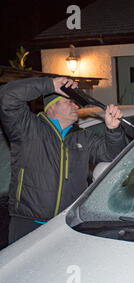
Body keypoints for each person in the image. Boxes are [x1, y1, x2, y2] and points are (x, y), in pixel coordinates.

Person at [0, 77, 126, 244]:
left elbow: (113, 155)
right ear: (52, 106)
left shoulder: (83, 136)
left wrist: (113, 130)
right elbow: (7, 96)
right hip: (29, 224)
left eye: (76, 103)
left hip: (66, 226)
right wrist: (50, 85)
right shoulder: (28, 128)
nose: (76, 106)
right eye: (69, 102)